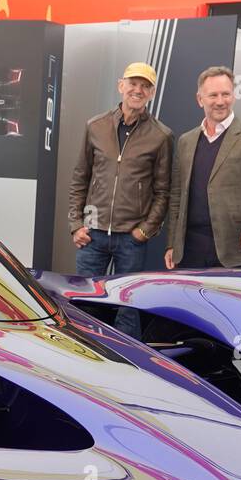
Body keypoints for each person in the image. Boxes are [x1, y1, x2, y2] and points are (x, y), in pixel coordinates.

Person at [66, 61, 173, 339]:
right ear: (121, 86)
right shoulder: (95, 126)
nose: (137, 90)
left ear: (151, 93)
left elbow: (163, 191)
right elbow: (81, 177)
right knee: (85, 306)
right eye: (133, 83)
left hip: (131, 239)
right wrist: (76, 224)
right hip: (92, 235)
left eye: (145, 86)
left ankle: (125, 370)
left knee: (128, 310)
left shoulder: (161, 136)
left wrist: (144, 231)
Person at [166, 65, 241, 271]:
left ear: (234, 96)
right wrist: (172, 244)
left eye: (226, 94)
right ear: (200, 99)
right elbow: (177, 196)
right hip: (189, 252)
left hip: (234, 252)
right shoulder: (186, 141)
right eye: (213, 95)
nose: (220, 101)